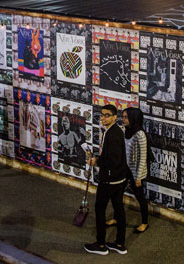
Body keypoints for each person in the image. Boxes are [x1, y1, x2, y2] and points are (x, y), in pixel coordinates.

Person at [84, 104, 128, 256]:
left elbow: (113, 160)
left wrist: (96, 161)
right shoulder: (113, 131)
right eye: (101, 115)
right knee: (119, 210)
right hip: (118, 179)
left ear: (115, 117)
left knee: (100, 210)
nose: (103, 118)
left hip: (110, 180)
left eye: (107, 115)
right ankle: (120, 244)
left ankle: (101, 244)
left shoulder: (113, 134)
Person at [123, 108, 149, 234]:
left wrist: (138, 177)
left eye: (126, 117)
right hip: (125, 168)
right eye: (123, 117)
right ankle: (117, 218)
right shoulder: (126, 131)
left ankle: (144, 223)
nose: (123, 120)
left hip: (136, 172)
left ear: (133, 118)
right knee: (117, 194)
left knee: (140, 197)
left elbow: (143, 157)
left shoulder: (140, 135)